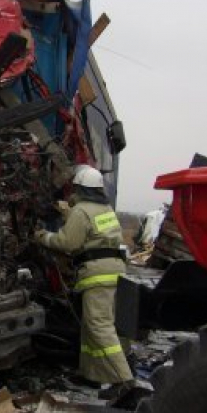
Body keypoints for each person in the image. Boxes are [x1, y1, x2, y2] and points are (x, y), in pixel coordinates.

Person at [34, 165, 134, 397]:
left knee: (98, 325)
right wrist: (68, 213)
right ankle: (91, 374)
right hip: (115, 270)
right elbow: (94, 232)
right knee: (92, 326)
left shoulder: (81, 211)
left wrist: (42, 236)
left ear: (79, 188)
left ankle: (124, 381)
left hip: (97, 273)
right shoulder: (105, 208)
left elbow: (68, 243)